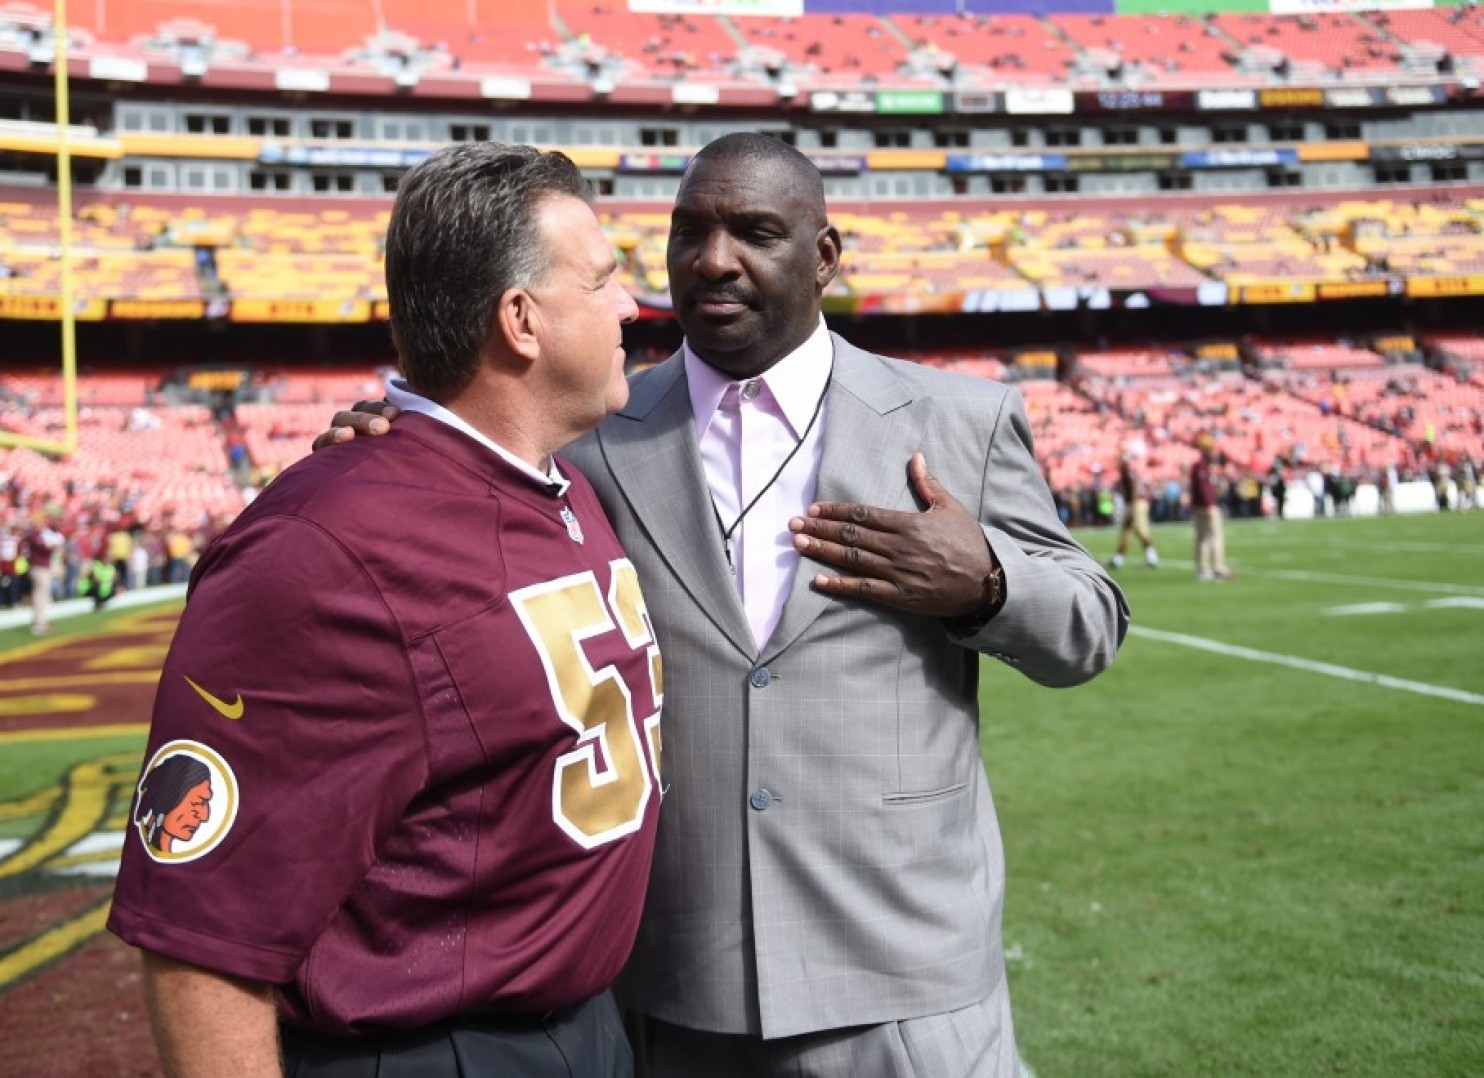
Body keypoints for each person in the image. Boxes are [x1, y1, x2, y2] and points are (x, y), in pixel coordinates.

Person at [320, 133, 1128, 1077]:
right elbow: (467, 465)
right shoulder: (589, 430)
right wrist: (400, 438)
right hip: (670, 988)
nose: (713, 260)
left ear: (822, 257)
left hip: (905, 984)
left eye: (753, 231)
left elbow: (1090, 624)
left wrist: (987, 581)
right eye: (688, 231)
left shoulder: (957, 420)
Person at [108, 143, 660, 1078]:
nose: (631, 307)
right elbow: (204, 939)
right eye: (604, 279)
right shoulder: (323, 550)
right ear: (520, 321)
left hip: (582, 1026)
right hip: (428, 1049)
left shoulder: (556, 482)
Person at [1190, 433, 1232, 582]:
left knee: (1202, 538)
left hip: (1200, 506)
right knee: (1214, 537)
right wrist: (1209, 504)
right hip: (1206, 506)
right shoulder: (1201, 465)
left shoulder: (1201, 465)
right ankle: (1218, 567)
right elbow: (1203, 488)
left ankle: (1203, 568)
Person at [1108, 453, 1159, 569]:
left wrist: (1132, 504)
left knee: (1140, 530)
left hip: (1136, 503)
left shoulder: (1126, 471)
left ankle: (1152, 556)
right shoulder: (1127, 471)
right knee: (1127, 530)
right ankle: (1118, 559)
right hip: (1135, 503)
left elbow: (1133, 486)